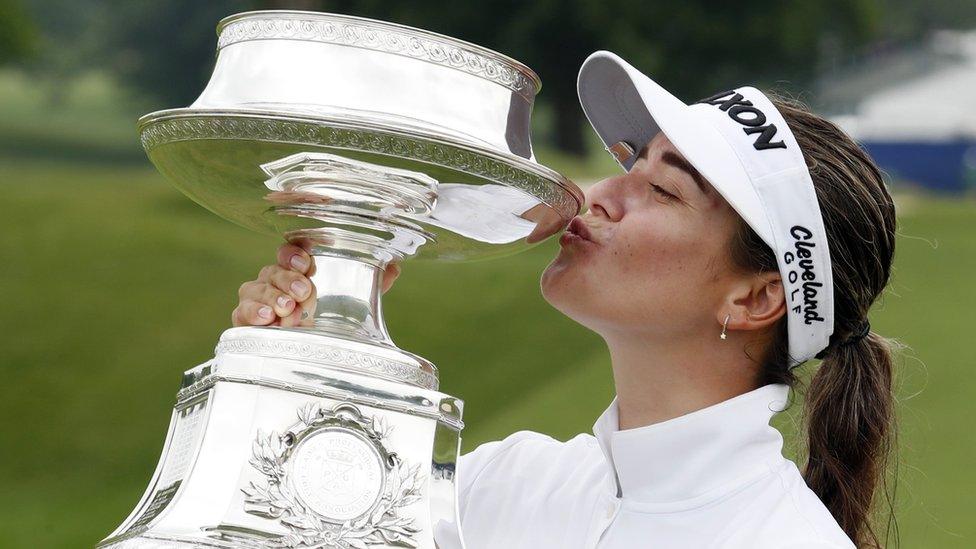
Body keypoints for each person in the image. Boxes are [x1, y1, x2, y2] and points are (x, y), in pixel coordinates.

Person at [231, 51, 897, 548]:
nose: (597, 193)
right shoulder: (506, 482)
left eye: (663, 191)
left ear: (755, 298)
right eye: (632, 165)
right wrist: (300, 362)